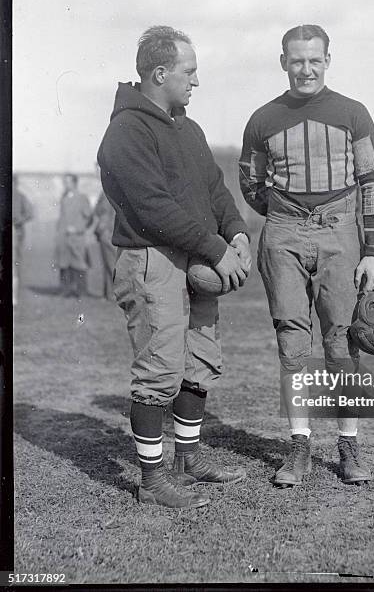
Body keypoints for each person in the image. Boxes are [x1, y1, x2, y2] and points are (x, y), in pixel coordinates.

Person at [98, 26, 251, 509]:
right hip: (151, 258)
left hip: (200, 257)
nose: (196, 81)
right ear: (159, 72)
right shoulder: (127, 129)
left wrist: (237, 232)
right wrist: (215, 247)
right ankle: (152, 481)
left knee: (200, 360)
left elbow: (215, 189)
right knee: (160, 368)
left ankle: (189, 457)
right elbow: (152, 208)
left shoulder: (188, 126)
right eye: (189, 71)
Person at [239, 24, 374, 487]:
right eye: (297, 60)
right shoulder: (263, 119)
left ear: (328, 60)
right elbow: (250, 182)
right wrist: (287, 217)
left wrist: (373, 251)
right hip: (282, 232)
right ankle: (299, 446)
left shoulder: (353, 113)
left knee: (342, 340)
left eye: (314, 60)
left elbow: (373, 182)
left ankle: (349, 446)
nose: (306, 69)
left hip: (341, 234)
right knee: (291, 340)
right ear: (283, 61)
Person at [55, 173, 92, 298]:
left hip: (77, 237)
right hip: (64, 237)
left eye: (68, 182)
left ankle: (81, 291)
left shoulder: (82, 198)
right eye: (64, 182)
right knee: (64, 264)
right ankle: (65, 291)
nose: (66, 185)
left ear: (75, 183)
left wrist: (77, 229)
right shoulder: (64, 199)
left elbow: (89, 218)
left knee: (79, 264)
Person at [90, 189, 116, 300]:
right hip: (107, 231)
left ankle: (113, 294)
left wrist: (103, 228)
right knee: (108, 263)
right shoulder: (106, 191)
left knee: (111, 264)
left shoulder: (109, 191)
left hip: (108, 232)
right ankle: (108, 293)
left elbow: (103, 212)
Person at [12, 174, 34, 305]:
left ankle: (14, 296)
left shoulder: (20, 197)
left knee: (14, 262)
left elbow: (30, 213)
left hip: (16, 232)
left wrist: (19, 221)